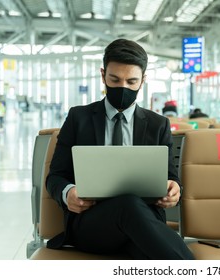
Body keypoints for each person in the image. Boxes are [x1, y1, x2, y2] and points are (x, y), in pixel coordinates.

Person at [46, 39, 194, 260]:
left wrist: (174, 190)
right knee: (128, 204)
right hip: (92, 223)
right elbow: (55, 176)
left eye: (132, 81)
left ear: (143, 81)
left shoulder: (158, 124)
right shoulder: (79, 118)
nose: (123, 87)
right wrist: (68, 194)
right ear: (103, 74)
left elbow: (171, 178)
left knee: (143, 245)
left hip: (143, 223)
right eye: (114, 79)